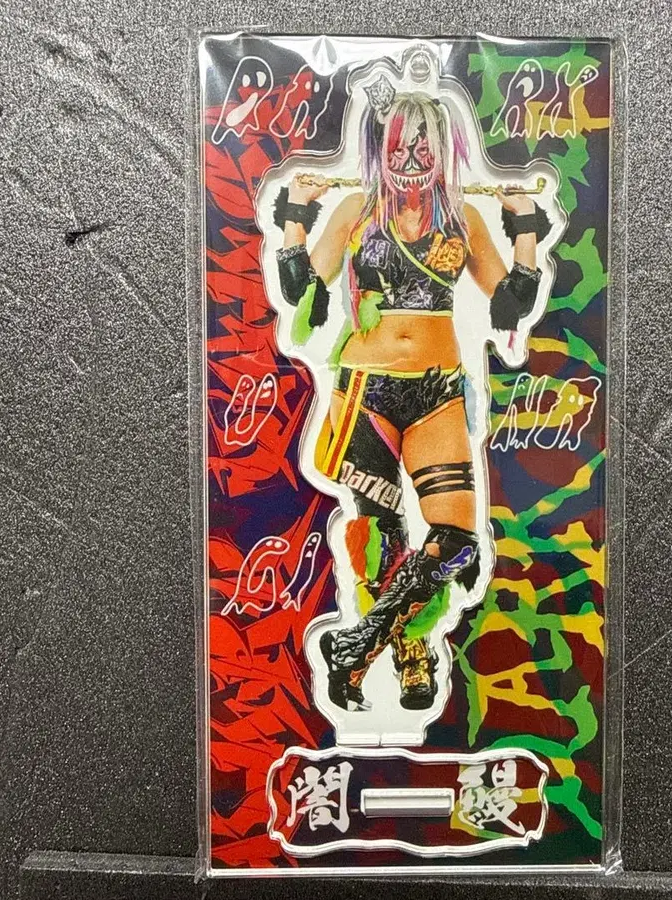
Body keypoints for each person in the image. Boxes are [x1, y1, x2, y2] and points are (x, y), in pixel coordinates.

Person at [273, 77, 550, 712]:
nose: (410, 160)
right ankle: (410, 649)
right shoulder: (357, 210)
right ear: (379, 150)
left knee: (455, 539)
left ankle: (357, 645)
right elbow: (299, 290)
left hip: (437, 392)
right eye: (398, 148)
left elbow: (512, 301)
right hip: (365, 392)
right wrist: (296, 212)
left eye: (424, 149)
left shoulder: (462, 218)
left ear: (443, 152)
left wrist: (524, 224)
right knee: (381, 536)